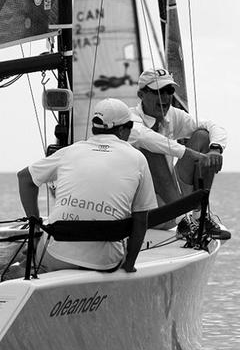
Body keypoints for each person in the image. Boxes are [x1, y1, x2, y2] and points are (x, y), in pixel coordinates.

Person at [17, 98, 157, 273]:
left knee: (25, 260)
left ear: (94, 127)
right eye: (130, 126)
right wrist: (129, 265)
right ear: (122, 129)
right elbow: (141, 219)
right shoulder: (137, 158)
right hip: (104, 262)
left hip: (55, 254)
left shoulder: (70, 151)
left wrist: (36, 226)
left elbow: (24, 178)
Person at [128, 68, 230, 239]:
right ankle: (183, 219)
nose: (166, 97)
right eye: (159, 91)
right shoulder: (129, 118)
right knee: (151, 149)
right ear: (141, 94)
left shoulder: (172, 115)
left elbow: (213, 125)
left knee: (202, 135)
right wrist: (189, 153)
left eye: (169, 91)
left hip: (171, 206)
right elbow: (145, 138)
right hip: (142, 212)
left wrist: (215, 149)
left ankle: (200, 217)